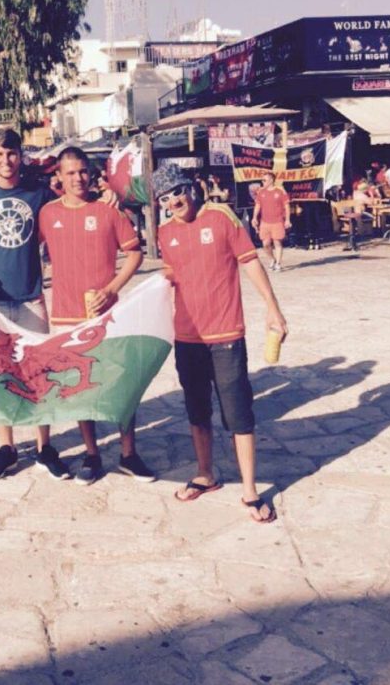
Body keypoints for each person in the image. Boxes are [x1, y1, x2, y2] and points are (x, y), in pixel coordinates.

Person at [153, 163, 287, 524]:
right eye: (166, 198)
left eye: (177, 192)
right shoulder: (165, 232)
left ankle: (250, 491)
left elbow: (250, 263)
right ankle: (205, 474)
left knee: (238, 413)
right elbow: (173, 273)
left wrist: (273, 310)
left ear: (190, 188)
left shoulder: (221, 216)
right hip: (188, 336)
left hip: (226, 334)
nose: (174, 202)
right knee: (197, 410)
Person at [39, 147, 155, 485]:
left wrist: (112, 288)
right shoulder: (47, 214)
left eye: (83, 171)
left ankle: (129, 453)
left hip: (107, 314)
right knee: (81, 387)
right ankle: (92, 454)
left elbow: (134, 254)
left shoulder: (108, 211)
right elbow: (23, 246)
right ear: (58, 176)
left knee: (122, 382)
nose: (78, 178)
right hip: (66, 315)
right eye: (70, 172)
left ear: (91, 173)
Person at [0, 127, 71, 481]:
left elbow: (72, 203)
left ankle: (44, 447)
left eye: (12, 154)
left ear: (20, 156)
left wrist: (112, 198)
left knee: (40, 372)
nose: (6, 161)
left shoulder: (37, 193)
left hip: (31, 297)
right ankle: (6, 447)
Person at [251, 172, 291, 272]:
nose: (262, 182)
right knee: (265, 244)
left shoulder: (280, 191)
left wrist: (287, 219)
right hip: (264, 222)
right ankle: (272, 259)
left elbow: (287, 206)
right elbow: (257, 206)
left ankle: (278, 263)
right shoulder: (261, 192)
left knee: (277, 242)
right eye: (262, 180)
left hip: (277, 221)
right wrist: (254, 217)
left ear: (271, 180)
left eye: (264, 180)